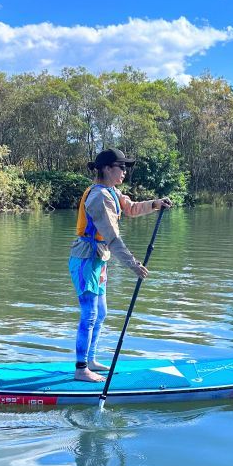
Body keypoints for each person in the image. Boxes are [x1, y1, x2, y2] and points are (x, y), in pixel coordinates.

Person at [68, 148, 172, 382]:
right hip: (85, 260)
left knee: (101, 312)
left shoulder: (112, 192)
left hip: (98, 259)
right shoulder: (98, 197)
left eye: (126, 167)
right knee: (90, 314)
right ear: (106, 168)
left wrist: (156, 204)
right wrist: (133, 264)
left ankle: (91, 359)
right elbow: (113, 239)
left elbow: (132, 208)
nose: (125, 171)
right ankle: (80, 368)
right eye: (121, 166)